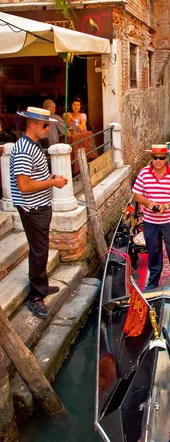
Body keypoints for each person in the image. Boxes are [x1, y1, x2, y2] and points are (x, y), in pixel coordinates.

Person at [10, 107, 68, 319]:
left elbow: (34, 175)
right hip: (32, 208)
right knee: (39, 251)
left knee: (41, 248)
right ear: (32, 125)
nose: (47, 128)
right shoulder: (25, 149)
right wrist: (53, 182)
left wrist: (51, 176)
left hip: (39, 206)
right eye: (45, 125)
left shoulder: (32, 145)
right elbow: (24, 186)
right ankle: (36, 297)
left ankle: (41, 286)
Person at [132, 144, 170, 290]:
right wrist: (148, 202)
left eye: (161, 158)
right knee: (153, 253)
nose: (157, 160)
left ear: (166, 158)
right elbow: (137, 195)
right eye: (155, 157)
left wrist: (166, 206)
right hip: (150, 222)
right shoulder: (143, 173)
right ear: (151, 158)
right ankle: (153, 283)